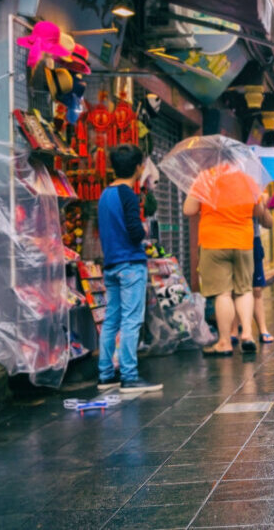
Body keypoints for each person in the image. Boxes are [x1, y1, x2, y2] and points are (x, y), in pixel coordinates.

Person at [184, 168, 271, 355]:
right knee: (244, 290)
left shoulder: (205, 178)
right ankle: (247, 333)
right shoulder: (248, 179)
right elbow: (257, 211)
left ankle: (224, 342)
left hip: (214, 241)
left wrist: (195, 190)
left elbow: (188, 209)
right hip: (243, 241)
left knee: (223, 294)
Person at [96, 145, 162, 393]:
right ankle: (129, 376)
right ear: (137, 167)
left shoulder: (105, 194)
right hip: (131, 265)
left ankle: (105, 375)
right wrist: (144, 230)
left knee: (111, 320)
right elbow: (135, 232)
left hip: (111, 265)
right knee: (132, 321)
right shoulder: (127, 194)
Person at [230, 212, 274, 345]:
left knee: (256, 289)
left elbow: (268, 223)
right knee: (235, 289)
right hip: (232, 240)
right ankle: (234, 330)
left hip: (252, 239)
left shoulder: (253, 192)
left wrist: (261, 207)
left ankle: (263, 329)